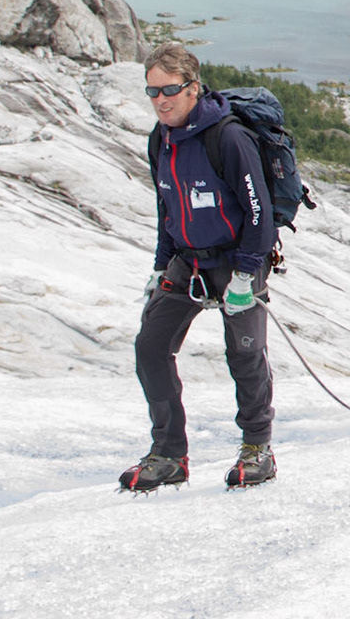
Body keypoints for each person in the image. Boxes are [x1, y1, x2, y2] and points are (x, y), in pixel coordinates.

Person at [121, 42, 277, 491]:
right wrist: (159, 266)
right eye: (152, 91)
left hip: (236, 259)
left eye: (169, 89)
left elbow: (257, 212)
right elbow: (166, 207)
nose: (160, 100)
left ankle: (257, 448)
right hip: (186, 260)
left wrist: (247, 272)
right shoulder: (161, 140)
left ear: (192, 88)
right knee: (151, 346)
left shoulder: (227, 136)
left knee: (245, 353)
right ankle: (169, 455)